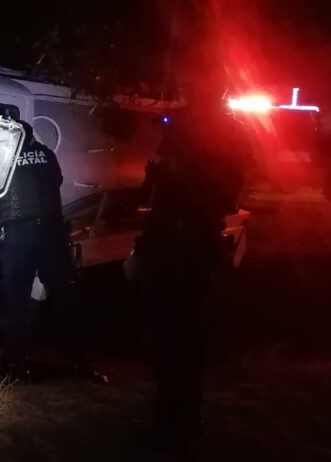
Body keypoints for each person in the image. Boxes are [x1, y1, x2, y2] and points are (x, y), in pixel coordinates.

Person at [129, 99, 245, 449]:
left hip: (174, 259)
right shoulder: (219, 163)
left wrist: (144, 251)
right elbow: (226, 202)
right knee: (189, 341)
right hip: (197, 258)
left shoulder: (179, 168)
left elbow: (156, 211)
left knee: (170, 344)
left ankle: (170, 427)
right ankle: (189, 421)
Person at [0, 121, 101, 381]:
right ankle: (82, 363)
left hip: (18, 233)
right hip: (51, 231)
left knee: (14, 300)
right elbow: (58, 180)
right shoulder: (46, 154)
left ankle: (16, 366)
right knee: (65, 296)